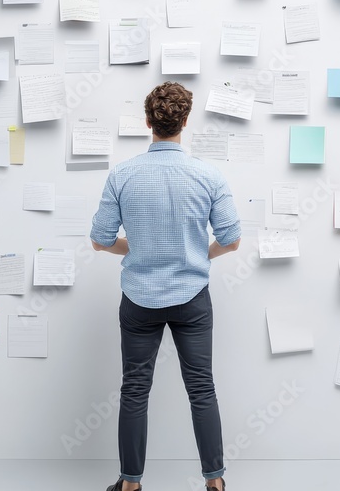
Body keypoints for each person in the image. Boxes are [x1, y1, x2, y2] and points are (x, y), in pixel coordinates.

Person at [91, 82, 242, 491]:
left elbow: (100, 240)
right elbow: (231, 240)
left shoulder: (122, 175)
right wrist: (197, 254)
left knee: (134, 390)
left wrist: (135, 247)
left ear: (148, 122)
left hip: (139, 299)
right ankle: (215, 483)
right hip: (192, 298)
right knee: (202, 389)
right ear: (185, 121)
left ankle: (130, 484)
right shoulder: (208, 175)